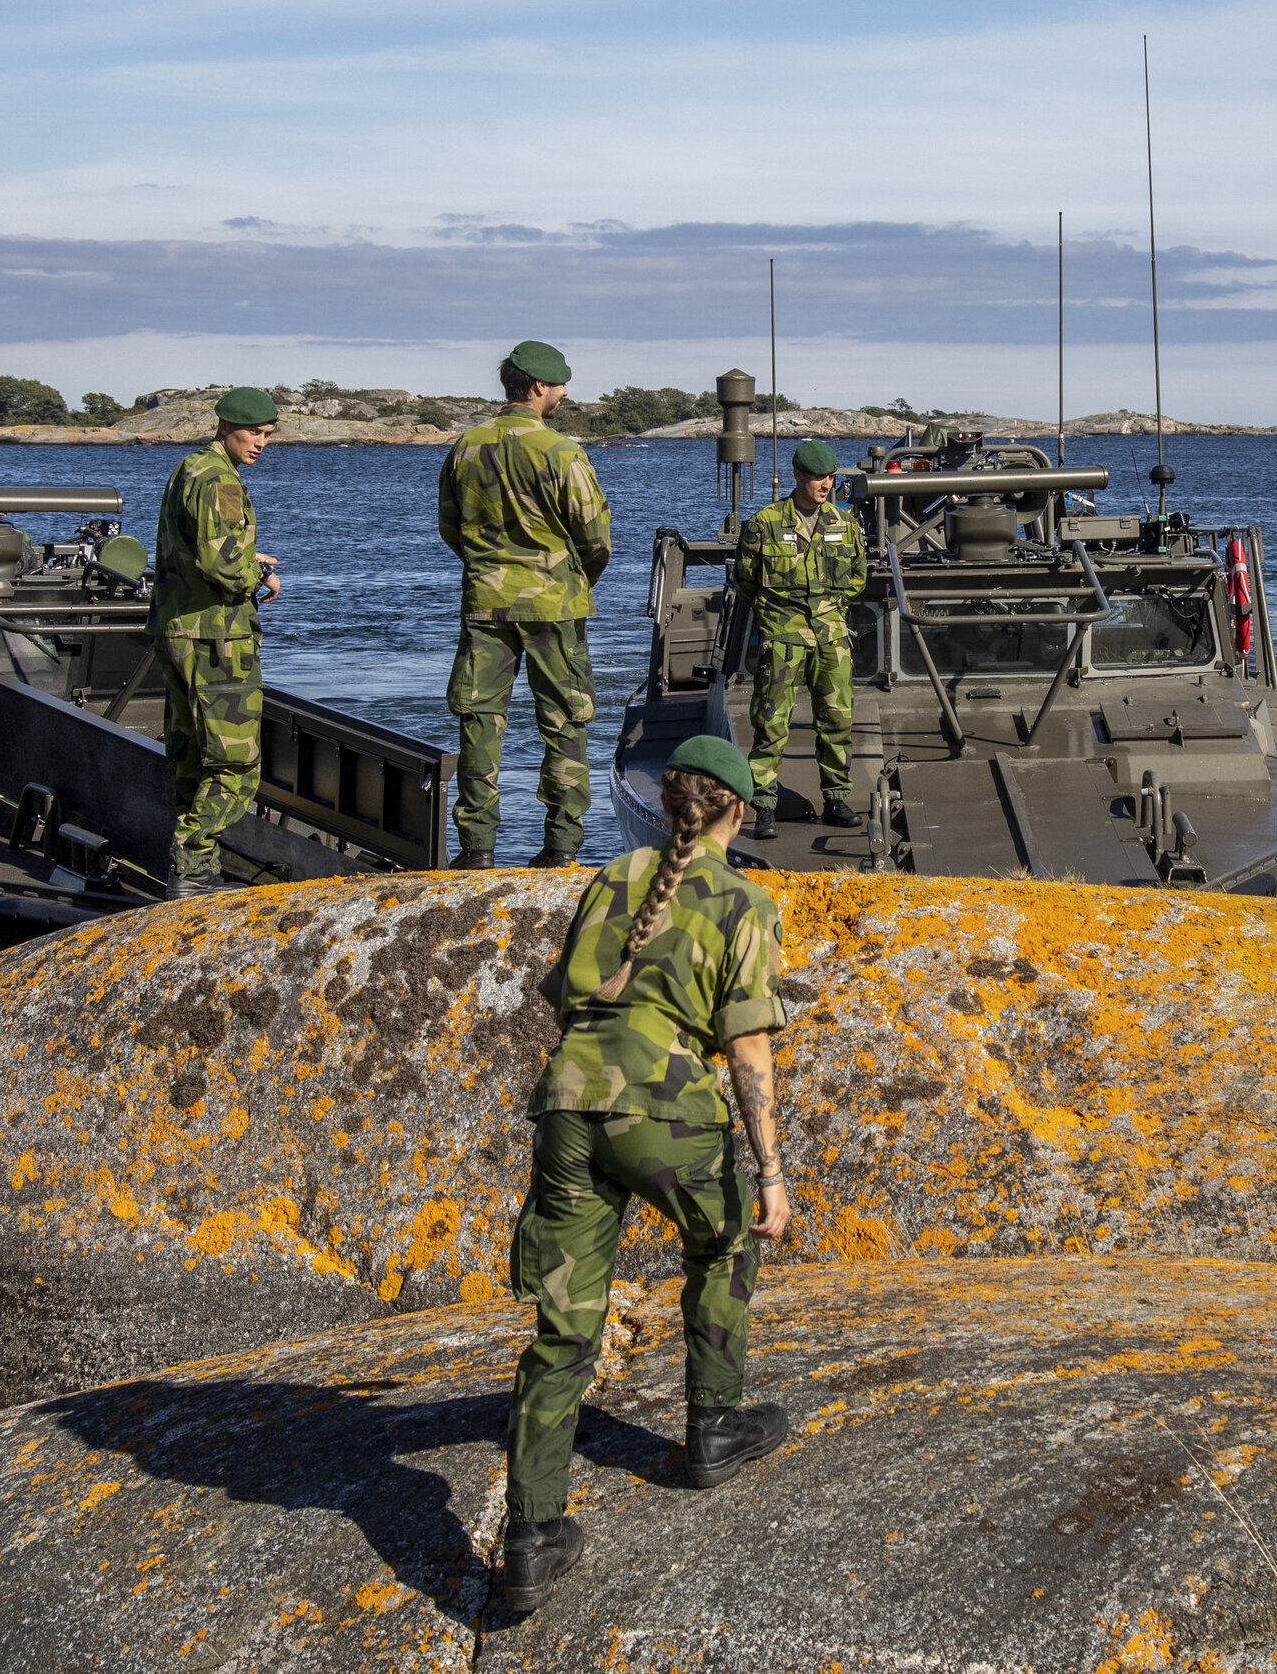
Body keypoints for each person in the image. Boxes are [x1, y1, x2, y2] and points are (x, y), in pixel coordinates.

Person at [494, 733, 794, 1618]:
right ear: (734, 811)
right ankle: (712, 1426)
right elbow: (747, 1046)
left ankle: (531, 1538)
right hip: (663, 1113)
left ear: (670, 806)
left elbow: (564, 997)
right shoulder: (744, 900)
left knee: (564, 1329)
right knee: (726, 1235)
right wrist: (771, 1171)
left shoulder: (610, 878)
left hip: (567, 1107)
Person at [440, 339, 615, 868]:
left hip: (485, 603)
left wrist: (490, 567)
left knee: (479, 718)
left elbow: (451, 528)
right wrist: (574, 578)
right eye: (559, 385)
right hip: (554, 606)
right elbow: (596, 535)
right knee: (564, 722)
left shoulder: (466, 446)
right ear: (538, 387)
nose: (563, 393)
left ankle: (477, 849)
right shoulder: (561, 452)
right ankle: (561, 847)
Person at [154, 387, 283, 898]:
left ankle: (192, 870)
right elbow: (222, 566)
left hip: (177, 628)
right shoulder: (221, 483)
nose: (261, 444)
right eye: (254, 433)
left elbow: (196, 549)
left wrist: (248, 559)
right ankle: (193, 867)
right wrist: (258, 575)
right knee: (235, 762)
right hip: (215, 637)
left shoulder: (189, 469)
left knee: (191, 753)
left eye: (269, 435)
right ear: (226, 427)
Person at [736, 439, 866, 838]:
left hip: (831, 637)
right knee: (771, 724)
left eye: (829, 477)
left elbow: (857, 577)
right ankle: (764, 807)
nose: (825, 485)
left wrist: (829, 609)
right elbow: (746, 582)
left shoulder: (844, 523)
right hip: (783, 637)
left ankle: (837, 798)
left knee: (837, 721)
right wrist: (779, 618)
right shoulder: (765, 523)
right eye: (816, 478)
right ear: (797, 476)